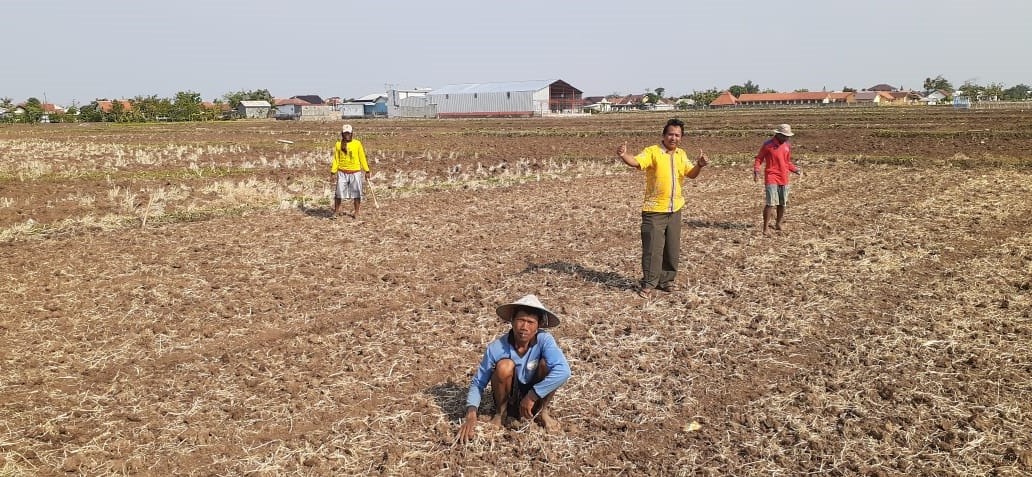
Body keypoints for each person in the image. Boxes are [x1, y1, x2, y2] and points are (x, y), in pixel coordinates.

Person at [456, 294, 571, 443]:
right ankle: (501, 414)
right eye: (520, 320)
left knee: (547, 364)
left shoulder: (544, 340)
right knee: (504, 366)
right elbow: (478, 383)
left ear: (538, 326)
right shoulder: (496, 348)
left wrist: (532, 396)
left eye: (530, 322)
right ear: (512, 321)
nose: (524, 327)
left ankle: (542, 412)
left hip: (535, 396)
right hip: (508, 397)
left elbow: (564, 371)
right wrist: (471, 415)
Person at [616, 118, 708, 298]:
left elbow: (691, 174)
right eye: (670, 134)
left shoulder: (681, 154)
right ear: (664, 136)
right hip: (654, 209)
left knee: (672, 248)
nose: (674, 138)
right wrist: (623, 155)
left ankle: (666, 281)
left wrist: (699, 165)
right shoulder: (653, 152)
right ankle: (649, 283)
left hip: (675, 209)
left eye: (677, 135)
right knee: (653, 248)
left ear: (681, 138)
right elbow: (635, 162)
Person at [753, 124, 801, 236]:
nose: (787, 138)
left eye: (788, 136)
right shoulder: (767, 145)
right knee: (770, 203)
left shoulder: (787, 146)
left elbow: (787, 162)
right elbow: (759, 158)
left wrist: (795, 170)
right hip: (771, 176)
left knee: (782, 203)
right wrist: (756, 171)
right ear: (778, 134)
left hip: (784, 177)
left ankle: (778, 224)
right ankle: (765, 228)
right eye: (784, 136)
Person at [330, 124, 370, 219]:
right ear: (342, 134)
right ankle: (336, 212)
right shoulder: (338, 144)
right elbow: (336, 159)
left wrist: (367, 170)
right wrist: (333, 172)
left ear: (352, 133)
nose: (347, 135)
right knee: (338, 193)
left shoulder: (357, 144)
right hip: (342, 172)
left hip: (355, 172)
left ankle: (356, 212)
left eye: (348, 133)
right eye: (345, 133)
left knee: (356, 193)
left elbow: (362, 157)